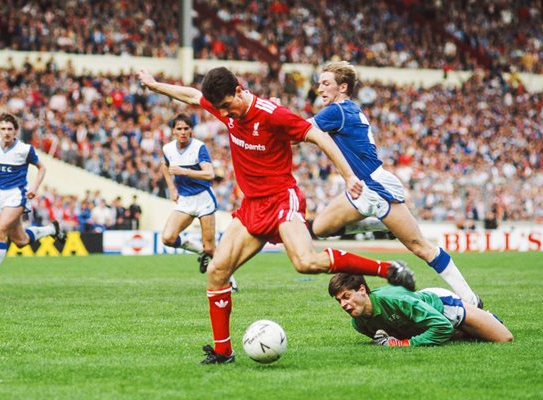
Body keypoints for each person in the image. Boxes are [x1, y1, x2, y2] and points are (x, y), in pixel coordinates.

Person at [137, 66, 415, 364]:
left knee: (305, 263)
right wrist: (154, 86)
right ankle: (222, 353)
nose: (226, 114)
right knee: (217, 272)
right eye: (220, 109)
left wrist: (348, 176)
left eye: (228, 106)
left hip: (283, 199)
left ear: (239, 89)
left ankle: (387, 269)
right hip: (252, 206)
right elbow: (192, 95)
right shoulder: (225, 109)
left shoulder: (273, 115)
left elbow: (320, 137)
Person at [308, 61, 480, 307]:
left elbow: (299, 133)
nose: (320, 88)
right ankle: (380, 226)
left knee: (420, 247)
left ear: (343, 87)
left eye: (326, 83)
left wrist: (273, 114)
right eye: (319, 83)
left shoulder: (338, 111)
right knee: (322, 228)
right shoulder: (347, 109)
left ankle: (471, 299)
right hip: (359, 187)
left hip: (374, 186)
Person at [0, 113, 66, 291]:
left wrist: (34, 188)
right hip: (1, 197)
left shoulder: (24, 149)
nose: (6, 132)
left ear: (16, 131)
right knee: (20, 241)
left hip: (17, 196)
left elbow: (42, 167)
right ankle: (52, 229)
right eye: (3, 129)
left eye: (9, 129)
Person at [160, 113, 237, 289]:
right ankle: (200, 251)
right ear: (173, 131)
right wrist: (172, 189)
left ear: (191, 131)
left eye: (186, 128)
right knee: (168, 238)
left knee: (211, 248)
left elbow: (210, 174)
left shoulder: (199, 147)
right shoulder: (168, 149)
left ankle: (231, 280)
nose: (183, 132)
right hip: (185, 201)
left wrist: (184, 172)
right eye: (179, 128)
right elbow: (165, 166)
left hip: (203, 200)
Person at [328, 273, 513, 346]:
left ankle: (474, 307)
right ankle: (472, 318)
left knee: (503, 338)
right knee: (459, 336)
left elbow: (441, 327)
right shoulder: (358, 322)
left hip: (440, 305)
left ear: (362, 290)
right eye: (339, 301)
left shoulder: (395, 299)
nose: (344, 305)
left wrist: (405, 344)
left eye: (346, 297)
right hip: (420, 314)